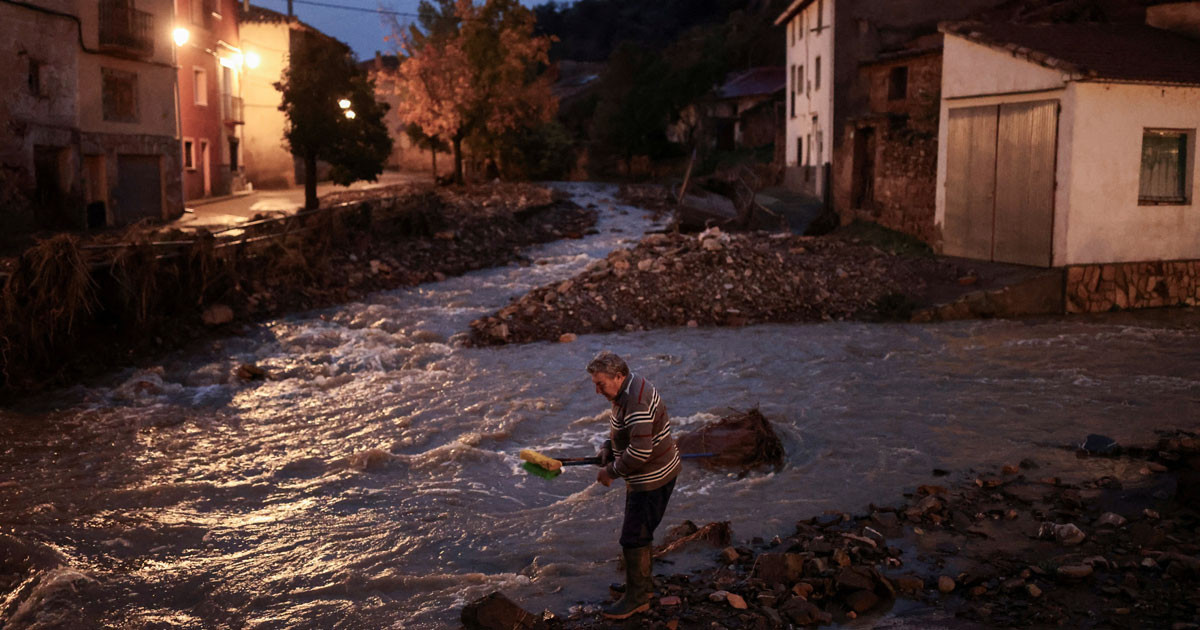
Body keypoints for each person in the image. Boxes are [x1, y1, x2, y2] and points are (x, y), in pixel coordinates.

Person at [587, 350, 681, 620]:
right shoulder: (625, 389)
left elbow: (640, 452)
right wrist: (609, 447)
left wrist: (611, 472)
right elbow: (625, 430)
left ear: (618, 376)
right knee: (640, 532)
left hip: (652, 477)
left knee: (633, 537)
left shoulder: (636, 401)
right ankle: (642, 587)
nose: (597, 391)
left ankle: (638, 599)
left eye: (600, 384)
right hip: (650, 472)